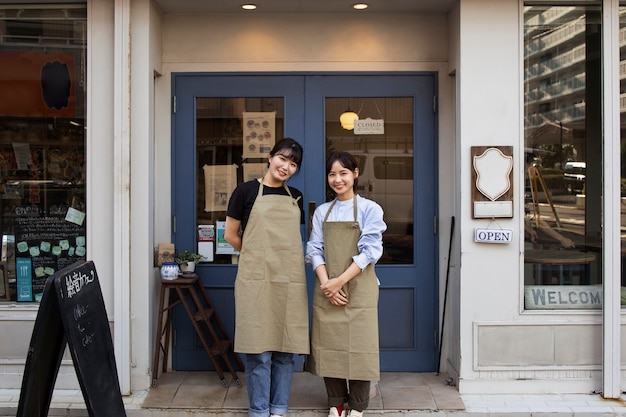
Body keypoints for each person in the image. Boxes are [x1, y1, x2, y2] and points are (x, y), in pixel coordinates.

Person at [224, 138, 309, 417]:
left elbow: (290, 240)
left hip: (288, 281)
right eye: (282, 159)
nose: (286, 166)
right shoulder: (245, 191)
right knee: (258, 350)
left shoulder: (295, 196)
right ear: (270, 157)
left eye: (293, 163)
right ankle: (259, 410)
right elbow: (230, 235)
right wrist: (254, 256)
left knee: (285, 350)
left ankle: (279, 408)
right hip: (255, 280)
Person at [305, 151, 387, 417]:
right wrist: (326, 283)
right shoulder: (321, 212)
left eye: (343, 173)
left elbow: (371, 251)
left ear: (355, 174)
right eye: (332, 174)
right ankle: (336, 403)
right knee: (329, 345)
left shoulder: (369, 209)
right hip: (327, 287)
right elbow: (314, 249)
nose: (337, 179)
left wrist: (338, 281)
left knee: (361, 347)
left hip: (359, 288)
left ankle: (358, 406)